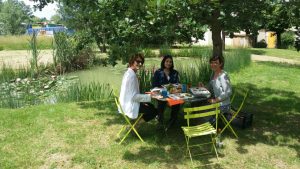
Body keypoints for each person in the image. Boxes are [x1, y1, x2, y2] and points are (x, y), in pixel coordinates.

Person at [119, 53, 158, 125]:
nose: (140, 64)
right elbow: (134, 97)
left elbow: (132, 94)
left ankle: (136, 123)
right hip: (130, 105)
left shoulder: (129, 73)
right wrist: (150, 96)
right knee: (154, 111)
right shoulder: (132, 76)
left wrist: (143, 100)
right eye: (137, 61)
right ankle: (136, 125)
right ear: (132, 61)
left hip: (125, 103)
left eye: (141, 62)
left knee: (151, 106)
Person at [152, 54, 180, 130]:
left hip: (172, 94)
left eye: (170, 62)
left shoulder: (175, 72)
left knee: (177, 103)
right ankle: (160, 121)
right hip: (162, 94)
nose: (168, 63)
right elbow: (154, 85)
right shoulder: (158, 72)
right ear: (164, 62)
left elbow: (177, 85)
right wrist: (162, 90)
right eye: (167, 61)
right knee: (161, 103)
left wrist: (174, 89)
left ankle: (172, 121)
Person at [204, 55, 232, 124]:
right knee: (201, 103)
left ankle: (210, 123)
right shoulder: (213, 73)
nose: (213, 64)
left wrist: (215, 100)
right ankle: (210, 121)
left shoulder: (223, 76)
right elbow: (211, 85)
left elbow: (228, 92)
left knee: (204, 107)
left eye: (216, 63)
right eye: (211, 62)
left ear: (221, 64)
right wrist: (203, 87)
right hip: (217, 103)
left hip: (224, 105)